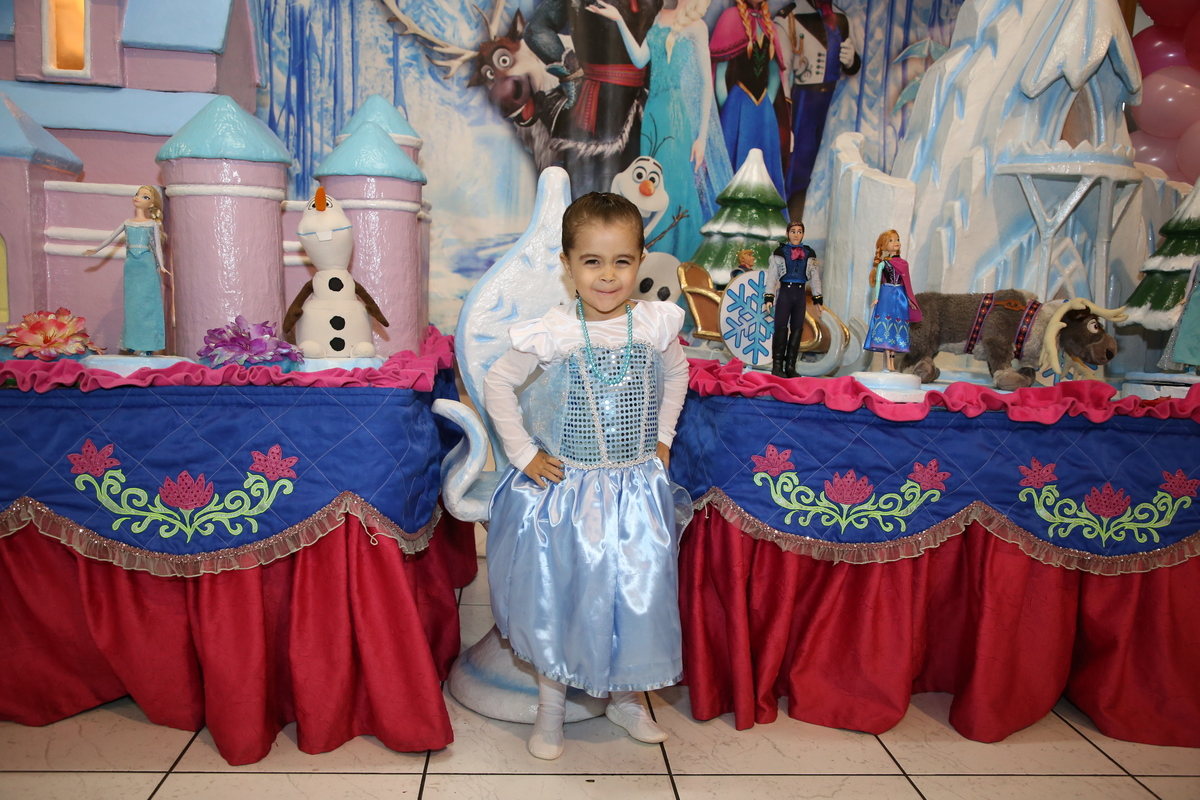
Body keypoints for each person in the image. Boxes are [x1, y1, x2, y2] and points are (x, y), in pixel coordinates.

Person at [483, 192, 691, 760]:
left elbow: (677, 375)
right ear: (568, 265)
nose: (607, 276)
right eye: (592, 261)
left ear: (640, 260)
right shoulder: (556, 330)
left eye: (622, 261)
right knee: (565, 598)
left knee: (634, 595)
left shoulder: (654, 324)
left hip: (636, 492)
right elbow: (498, 384)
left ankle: (625, 697)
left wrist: (664, 437)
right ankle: (551, 709)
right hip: (570, 496)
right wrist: (523, 453)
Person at [589, 0, 732, 260]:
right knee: (649, 184)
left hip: (677, 116)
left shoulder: (697, 26)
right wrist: (619, 19)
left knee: (675, 184)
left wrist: (701, 137)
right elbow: (639, 59)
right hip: (653, 112)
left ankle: (679, 258)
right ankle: (654, 255)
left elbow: (706, 83)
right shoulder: (659, 16)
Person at [774, 1, 861, 221]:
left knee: (808, 169)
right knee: (793, 170)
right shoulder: (788, 18)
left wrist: (852, 60)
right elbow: (782, 73)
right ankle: (783, 224)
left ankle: (794, 227)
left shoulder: (841, 19)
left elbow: (852, 67)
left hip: (826, 104)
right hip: (801, 102)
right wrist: (785, 118)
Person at [710, 0, 788, 200]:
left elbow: (774, 74)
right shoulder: (730, 18)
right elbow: (720, 74)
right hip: (737, 107)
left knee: (765, 165)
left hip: (763, 111)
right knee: (733, 165)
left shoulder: (768, 24)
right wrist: (728, 110)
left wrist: (766, 106)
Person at [83, 185, 169, 355]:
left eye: (145, 197)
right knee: (132, 305)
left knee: (147, 305)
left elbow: (157, 247)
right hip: (131, 266)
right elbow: (110, 238)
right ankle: (132, 342)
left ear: (152, 204)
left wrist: (162, 265)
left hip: (147, 265)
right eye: (137, 194)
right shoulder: (127, 223)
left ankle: (148, 345)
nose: (138, 198)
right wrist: (96, 249)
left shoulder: (152, 224)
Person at [764, 221, 822, 377]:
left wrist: (817, 298)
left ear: (803, 234)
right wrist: (769, 296)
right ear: (787, 233)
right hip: (785, 293)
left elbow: (815, 278)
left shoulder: (809, 253)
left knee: (797, 329)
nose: (796, 235)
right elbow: (772, 277)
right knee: (781, 327)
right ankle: (777, 365)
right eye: (793, 231)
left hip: (800, 294)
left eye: (799, 231)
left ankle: (790, 365)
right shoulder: (780, 253)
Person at [864, 229, 921, 372]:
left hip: (900, 297)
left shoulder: (904, 264)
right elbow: (878, 282)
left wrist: (909, 299)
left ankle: (892, 364)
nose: (896, 243)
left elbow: (907, 283)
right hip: (887, 295)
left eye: (897, 239)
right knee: (887, 328)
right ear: (884, 246)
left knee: (897, 329)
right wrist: (876, 297)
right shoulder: (883, 264)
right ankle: (888, 364)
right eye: (891, 240)